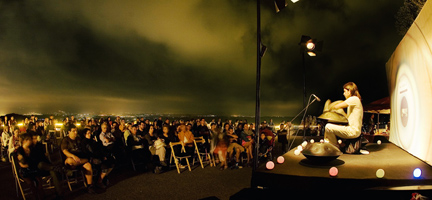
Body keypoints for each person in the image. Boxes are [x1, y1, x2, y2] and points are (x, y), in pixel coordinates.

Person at [16, 133, 64, 199]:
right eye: (33, 139)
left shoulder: (36, 147)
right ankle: (57, 168)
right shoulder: (23, 149)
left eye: (36, 138)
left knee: (53, 172)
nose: (34, 140)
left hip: (41, 167)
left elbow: (41, 158)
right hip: (32, 168)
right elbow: (25, 163)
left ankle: (59, 194)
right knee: (34, 180)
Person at [324, 82, 363, 148]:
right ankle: (335, 145)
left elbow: (336, 106)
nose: (343, 93)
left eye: (345, 91)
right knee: (333, 127)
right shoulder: (354, 102)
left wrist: (328, 105)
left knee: (328, 127)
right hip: (353, 130)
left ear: (349, 91)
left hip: (353, 130)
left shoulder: (354, 99)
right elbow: (346, 117)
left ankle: (334, 148)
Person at [61, 126, 96, 194]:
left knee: (88, 166)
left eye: (76, 131)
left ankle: (89, 186)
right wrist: (73, 156)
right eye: (73, 131)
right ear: (69, 132)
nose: (75, 132)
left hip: (79, 159)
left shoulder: (78, 139)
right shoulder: (65, 140)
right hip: (72, 159)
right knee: (70, 161)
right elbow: (64, 151)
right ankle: (86, 160)